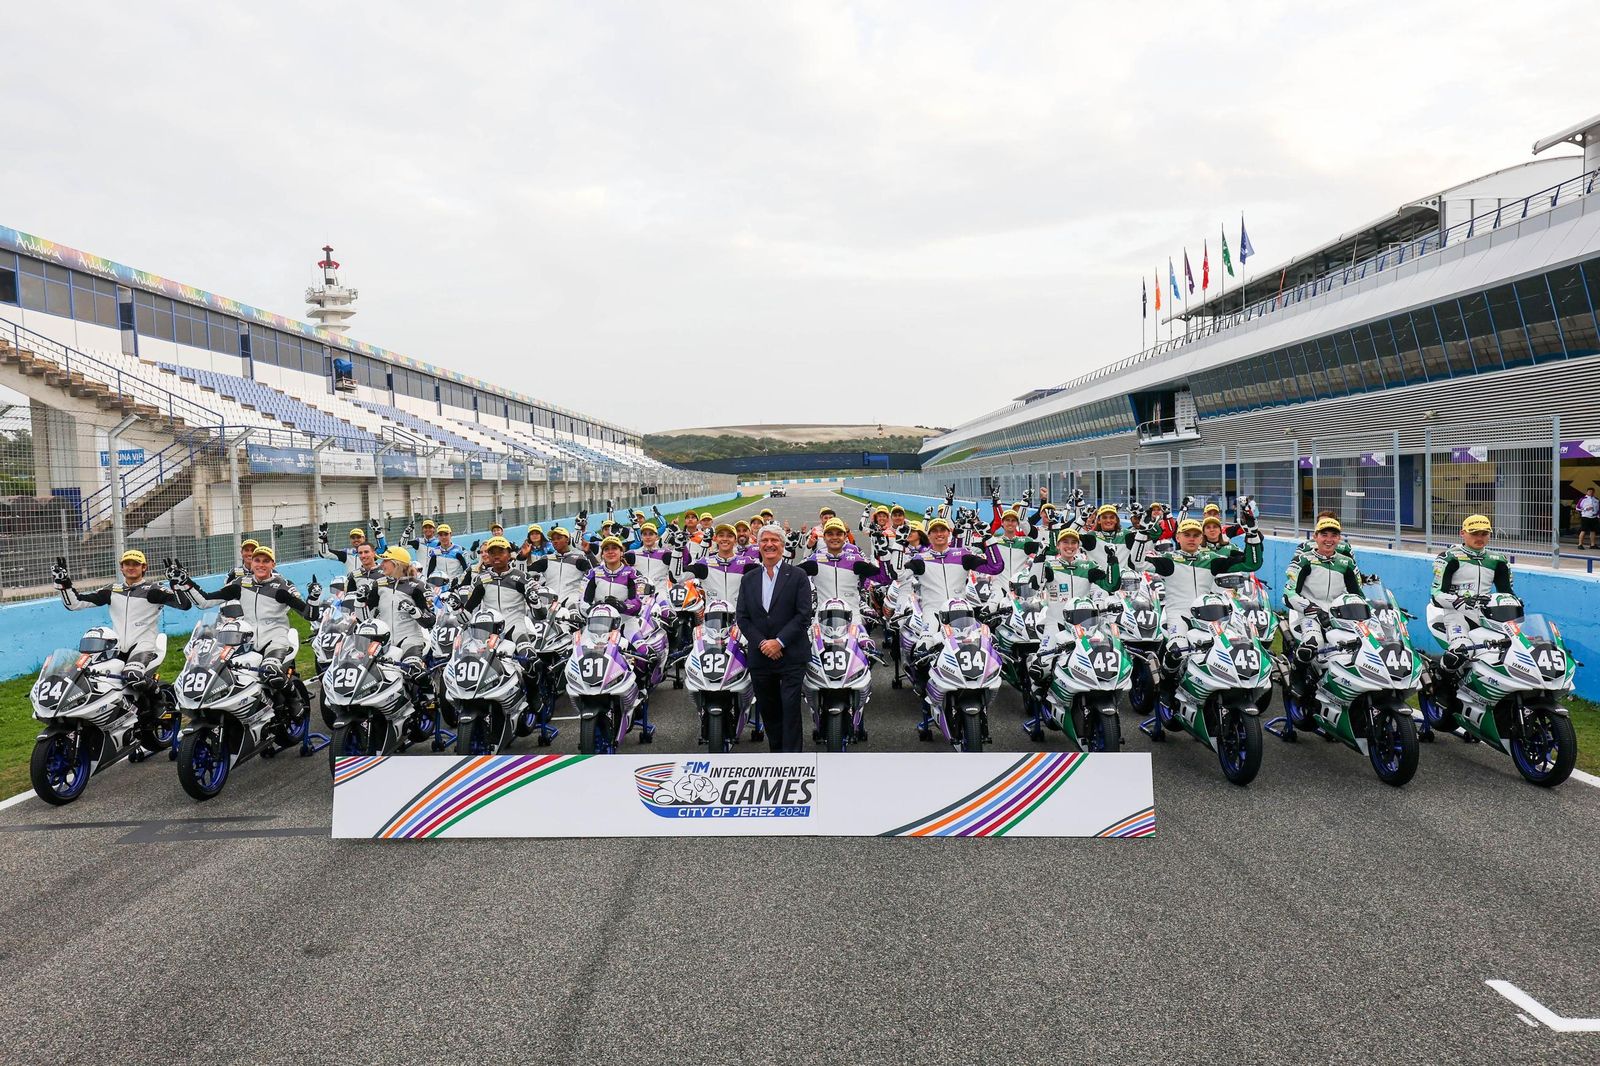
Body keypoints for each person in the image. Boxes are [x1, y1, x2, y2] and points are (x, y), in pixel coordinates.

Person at [54, 549, 194, 709]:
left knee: (132, 676)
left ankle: (161, 702)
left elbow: (184, 605)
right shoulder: (112, 590)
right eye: (127, 564)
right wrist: (64, 583)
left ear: (144, 567)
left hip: (143, 646)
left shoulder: (153, 589)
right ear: (121, 567)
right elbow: (76, 604)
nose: (131, 567)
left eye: (136, 564)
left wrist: (176, 583)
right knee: (90, 677)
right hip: (116, 647)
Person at [180, 545, 312, 708]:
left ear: (273, 564)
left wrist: (313, 599)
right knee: (225, 672)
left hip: (275, 639)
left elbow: (308, 614)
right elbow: (206, 601)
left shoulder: (282, 585)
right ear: (251, 562)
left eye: (266, 561)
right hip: (246, 640)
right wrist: (186, 583)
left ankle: (294, 701)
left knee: (271, 672)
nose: (261, 565)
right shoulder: (241, 583)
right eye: (257, 560)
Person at [736, 526, 814, 752]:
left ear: (783, 545)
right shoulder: (748, 579)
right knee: (769, 711)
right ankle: (777, 755)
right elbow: (743, 617)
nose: (769, 545)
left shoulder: (798, 575)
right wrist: (763, 643)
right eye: (764, 541)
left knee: (790, 709)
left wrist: (779, 642)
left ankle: (792, 760)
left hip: (790, 654)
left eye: (774, 541)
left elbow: (803, 615)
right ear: (758, 546)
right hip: (761, 656)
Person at [1282, 516, 1364, 696]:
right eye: (1324, 534)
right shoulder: (1304, 560)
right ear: (1315, 537)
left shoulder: (1346, 563)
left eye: (1334, 535)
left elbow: (1358, 594)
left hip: (1341, 617)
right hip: (1310, 615)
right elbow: (1288, 595)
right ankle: (1296, 678)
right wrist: (1313, 610)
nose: (1329, 539)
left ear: (1339, 539)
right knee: (1312, 645)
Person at [1428, 514, 1514, 647]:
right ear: (1462, 533)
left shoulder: (1498, 559)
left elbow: (1506, 592)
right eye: (1474, 533)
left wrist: (1515, 603)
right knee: (1462, 650)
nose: (1479, 538)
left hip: (1487, 616)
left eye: (1484, 533)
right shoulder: (1450, 557)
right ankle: (1443, 668)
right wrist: (1462, 601)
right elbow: (1436, 595)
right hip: (1456, 615)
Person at [798, 518, 885, 628]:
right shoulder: (815, 559)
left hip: (853, 621)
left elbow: (884, 578)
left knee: (867, 645)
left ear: (845, 537)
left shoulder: (856, 560)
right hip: (821, 622)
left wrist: (883, 555)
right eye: (830, 534)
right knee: (808, 644)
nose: (834, 537)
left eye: (839, 534)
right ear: (824, 538)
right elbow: (789, 577)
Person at [686, 522, 759, 606]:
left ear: (735, 540)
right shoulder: (706, 562)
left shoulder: (748, 562)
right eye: (721, 535)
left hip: (739, 617)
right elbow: (676, 578)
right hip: (712, 617)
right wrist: (678, 551)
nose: (725, 539)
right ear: (715, 539)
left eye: (729, 536)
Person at [528, 526, 594, 608]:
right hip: (550, 603)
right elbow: (525, 574)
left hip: (572, 603)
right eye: (553, 539)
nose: (555, 541)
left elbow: (595, 573)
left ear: (567, 540)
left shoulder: (578, 559)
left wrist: (589, 553)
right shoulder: (546, 559)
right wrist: (522, 558)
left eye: (559, 538)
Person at [317, 521, 387, 577]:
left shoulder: (369, 552)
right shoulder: (347, 554)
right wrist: (322, 538)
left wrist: (378, 533)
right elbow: (325, 553)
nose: (356, 540)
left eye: (358, 537)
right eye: (353, 538)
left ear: (364, 538)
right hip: (352, 587)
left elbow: (382, 549)